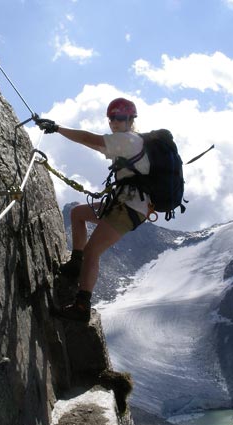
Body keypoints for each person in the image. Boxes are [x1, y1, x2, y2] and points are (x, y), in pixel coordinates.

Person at [36, 98, 150, 322]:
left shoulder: (129, 141)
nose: (113, 122)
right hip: (123, 204)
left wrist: (57, 129)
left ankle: (82, 306)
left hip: (129, 208)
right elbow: (94, 144)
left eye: (118, 118)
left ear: (130, 120)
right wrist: (60, 131)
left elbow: (90, 138)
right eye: (111, 118)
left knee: (92, 251)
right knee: (78, 213)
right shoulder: (126, 142)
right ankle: (75, 265)